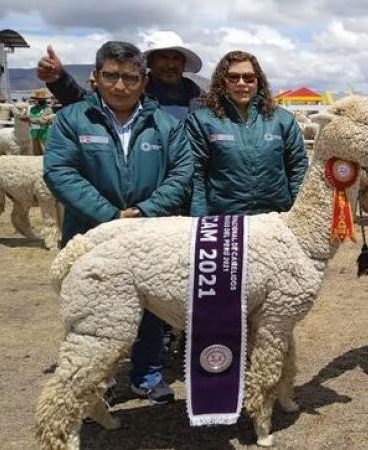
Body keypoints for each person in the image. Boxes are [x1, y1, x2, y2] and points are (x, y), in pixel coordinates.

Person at [43, 41, 193, 404]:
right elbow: (60, 171)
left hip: (149, 234)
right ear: (96, 77)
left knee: (151, 305)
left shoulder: (164, 125)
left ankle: (147, 374)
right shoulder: (73, 120)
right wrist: (110, 216)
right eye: (111, 76)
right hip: (91, 233)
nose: (120, 85)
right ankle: (101, 380)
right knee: (93, 310)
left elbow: (181, 173)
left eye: (130, 77)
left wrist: (145, 211)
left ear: (144, 81)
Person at [186, 51, 307, 216]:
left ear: (258, 81)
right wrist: (199, 219)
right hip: (225, 219)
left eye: (249, 78)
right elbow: (196, 174)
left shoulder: (283, 120)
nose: (241, 83)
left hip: (275, 217)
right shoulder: (202, 121)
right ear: (222, 81)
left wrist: (298, 215)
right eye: (233, 77)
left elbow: (298, 168)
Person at [36, 32, 203, 120]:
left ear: (183, 64)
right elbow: (84, 102)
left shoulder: (200, 99)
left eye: (176, 58)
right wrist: (59, 79)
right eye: (164, 57)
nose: (171, 65)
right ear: (150, 62)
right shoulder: (132, 91)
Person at [27, 88, 55, 155]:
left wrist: (36, 120)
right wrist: (41, 120)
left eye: (42, 99)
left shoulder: (48, 109)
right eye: (39, 99)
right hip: (34, 134)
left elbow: (43, 121)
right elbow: (31, 120)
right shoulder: (33, 109)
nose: (40, 100)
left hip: (44, 134)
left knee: (45, 152)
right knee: (36, 153)